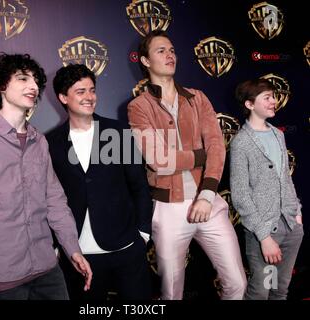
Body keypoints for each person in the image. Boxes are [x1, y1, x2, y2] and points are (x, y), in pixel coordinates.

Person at [0, 53, 92, 300]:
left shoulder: (40, 141)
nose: (33, 86)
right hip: (1, 279)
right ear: (1, 85)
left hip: (48, 271)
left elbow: (55, 202)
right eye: (23, 79)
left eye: (36, 81)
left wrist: (73, 250)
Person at [127, 30, 246, 300]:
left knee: (237, 283)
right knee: (171, 292)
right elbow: (159, 160)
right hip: (168, 210)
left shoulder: (197, 97)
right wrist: (200, 155)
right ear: (145, 61)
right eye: (161, 51)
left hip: (209, 202)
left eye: (172, 50)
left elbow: (217, 146)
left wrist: (206, 194)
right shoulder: (138, 106)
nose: (170, 55)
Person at [46, 63, 153, 300]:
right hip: (80, 256)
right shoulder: (50, 143)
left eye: (92, 90)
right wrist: (58, 246)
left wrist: (143, 233)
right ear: (63, 97)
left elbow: (139, 185)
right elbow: (50, 200)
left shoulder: (116, 132)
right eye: (80, 91)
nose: (89, 97)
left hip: (126, 247)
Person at [230, 78, 303, 300]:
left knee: (279, 290)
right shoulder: (241, 142)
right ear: (250, 104)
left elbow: (285, 178)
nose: (274, 101)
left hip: (291, 225)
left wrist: (297, 212)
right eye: (267, 97)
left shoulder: (277, 134)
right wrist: (264, 238)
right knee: (260, 291)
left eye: (274, 96)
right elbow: (240, 194)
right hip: (263, 230)